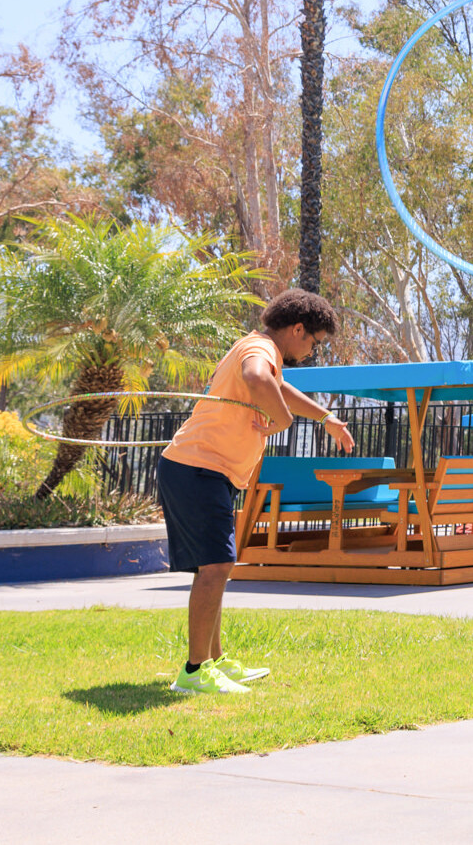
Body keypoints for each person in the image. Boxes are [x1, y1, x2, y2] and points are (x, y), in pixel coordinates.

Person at [159, 289, 355, 695]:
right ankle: (195, 672)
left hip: (205, 469)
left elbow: (277, 389)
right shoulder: (260, 348)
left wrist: (327, 418)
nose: (312, 350)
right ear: (298, 329)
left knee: (215, 566)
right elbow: (257, 378)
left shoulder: (260, 350)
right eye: (314, 342)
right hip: (198, 467)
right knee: (216, 566)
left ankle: (212, 662)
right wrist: (282, 422)